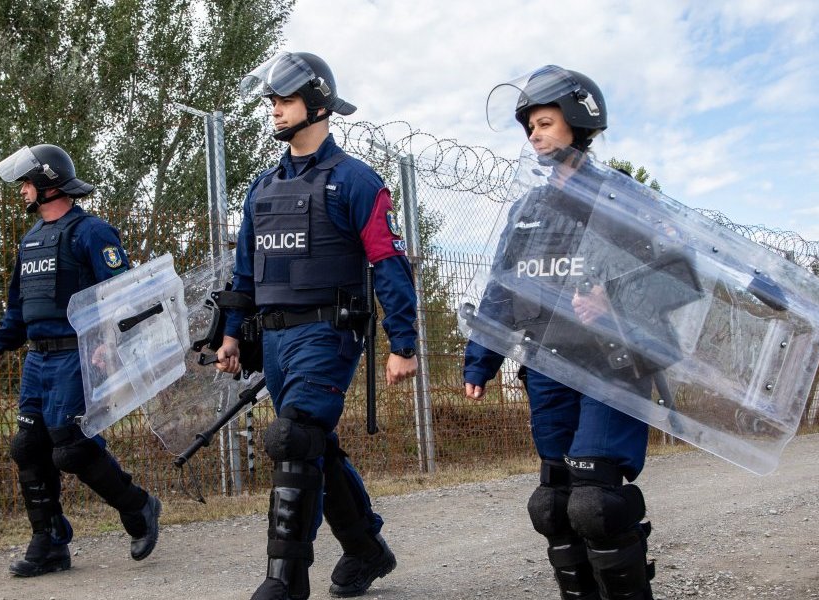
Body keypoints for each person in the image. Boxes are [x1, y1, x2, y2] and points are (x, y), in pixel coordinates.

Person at [216, 51, 419, 600]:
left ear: (318, 105)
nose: (274, 110)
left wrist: (403, 342)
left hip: (329, 333)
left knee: (293, 436)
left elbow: (388, 262)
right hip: (275, 339)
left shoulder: (355, 181)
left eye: (285, 100)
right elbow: (244, 271)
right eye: (272, 101)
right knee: (312, 446)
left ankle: (285, 581)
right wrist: (232, 333)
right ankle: (366, 549)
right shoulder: (262, 188)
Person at [464, 66, 661, 599]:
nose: (534, 135)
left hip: (609, 366)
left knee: (597, 502)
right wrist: (480, 359)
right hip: (546, 364)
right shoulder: (527, 208)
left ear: (578, 122)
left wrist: (614, 300)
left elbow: (673, 277)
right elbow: (502, 286)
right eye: (530, 127)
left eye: (545, 123)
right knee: (553, 504)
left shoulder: (623, 200)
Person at [0, 143, 161, 577]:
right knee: (27, 446)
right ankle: (50, 542)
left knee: (72, 448)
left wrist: (108, 340)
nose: (22, 190)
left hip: (75, 358)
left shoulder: (91, 232)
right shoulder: (30, 240)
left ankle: (139, 506)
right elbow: (19, 306)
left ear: (49, 184)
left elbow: (124, 294)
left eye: (26, 182)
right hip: (37, 361)